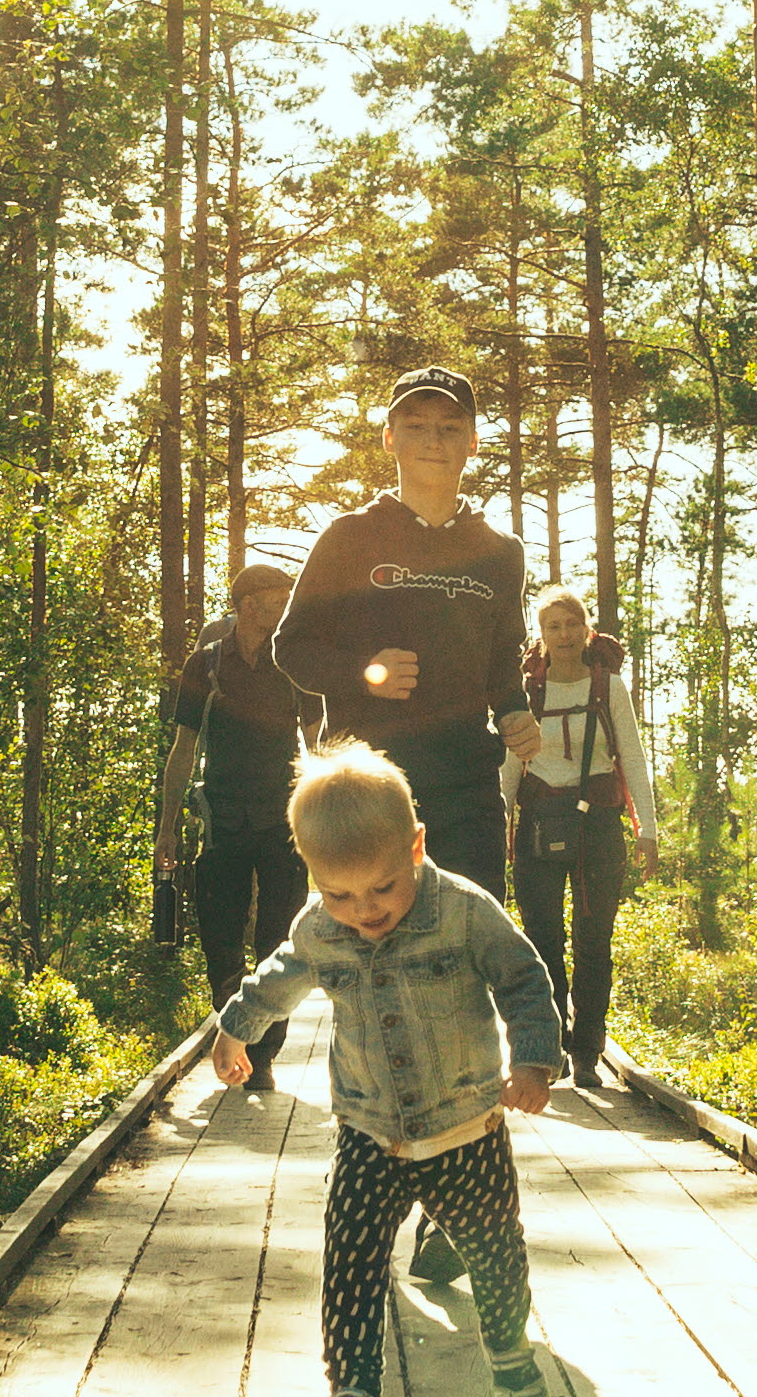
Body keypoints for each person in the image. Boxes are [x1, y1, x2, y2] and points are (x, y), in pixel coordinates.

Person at [210, 740, 566, 1397]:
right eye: (338, 894)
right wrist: (235, 1028)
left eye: (381, 887)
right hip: (370, 1131)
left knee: (496, 1257)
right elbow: (279, 975)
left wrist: (534, 1058)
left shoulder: (464, 912)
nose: (362, 911)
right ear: (313, 875)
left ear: (416, 846)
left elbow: (524, 978)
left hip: (467, 1127)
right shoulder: (320, 925)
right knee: (351, 1261)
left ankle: (507, 1357)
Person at [270, 365, 542, 898]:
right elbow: (291, 647)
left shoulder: (501, 552)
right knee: (366, 958)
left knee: (468, 954)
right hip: (364, 791)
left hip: (468, 793)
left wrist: (515, 710)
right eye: (415, 426)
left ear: (473, 443)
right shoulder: (349, 537)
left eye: (449, 427)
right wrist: (364, 673)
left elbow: (502, 661)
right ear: (390, 438)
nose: (433, 441)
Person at [501, 584, 659, 1090]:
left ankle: (587, 1051)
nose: (563, 634)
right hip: (540, 822)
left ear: (586, 630)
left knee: (594, 940)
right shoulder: (526, 692)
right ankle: (552, 1048)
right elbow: (507, 768)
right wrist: (498, 830)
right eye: (553, 626)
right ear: (540, 636)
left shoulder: (608, 687)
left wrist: (647, 831)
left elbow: (632, 758)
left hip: (599, 826)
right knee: (541, 938)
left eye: (571, 624)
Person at [154, 560, 303, 1090]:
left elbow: (320, 741)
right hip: (221, 818)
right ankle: (232, 1019)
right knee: (219, 934)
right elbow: (184, 746)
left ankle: (262, 1059)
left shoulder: (295, 664)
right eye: (275, 595)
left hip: (284, 820)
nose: (284, 602)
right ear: (245, 603)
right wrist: (167, 827)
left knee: (279, 940)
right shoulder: (207, 665)